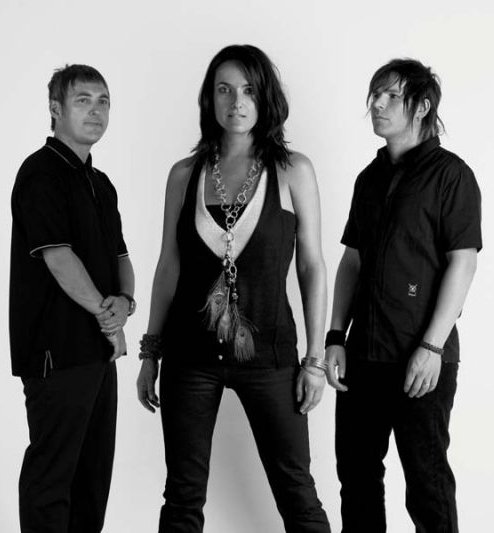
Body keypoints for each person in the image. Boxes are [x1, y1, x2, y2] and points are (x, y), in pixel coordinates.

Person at [137, 44, 331, 532]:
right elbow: (168, 267)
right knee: (182, 497)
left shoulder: (292, 170)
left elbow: (312, 266)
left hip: (270, 357)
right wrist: (151, 352)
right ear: (210, 99)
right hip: (189, 357)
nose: (236, 102)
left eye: (248, 90)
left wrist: (314, 360)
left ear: (265, 98)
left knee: (297, 493)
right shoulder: (184, 175)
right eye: (224, 90)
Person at [325, 58, 482, 532]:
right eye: (375, 94)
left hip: (422, 357)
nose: (377, 103)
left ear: (422, 106)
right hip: (363, 356)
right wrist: (335, 336)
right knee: (356, 479)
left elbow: (463, 262)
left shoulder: (451, 175)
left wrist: (432, 346)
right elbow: (352, 261)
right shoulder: (368, 178)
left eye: (392, 95)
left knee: (427, 484)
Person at [9, 64, 136, 533]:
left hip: (98, 353)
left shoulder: (101, 183)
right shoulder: (40, 173)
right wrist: (109, 317)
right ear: (55, 109)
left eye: (104, 102)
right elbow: (59, 259)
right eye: (83, 100)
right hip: (55, 351)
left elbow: (121, 257)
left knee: (91, 481)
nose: (96, 111)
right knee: (52, 478)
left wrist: (125, 301)